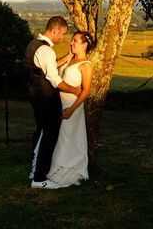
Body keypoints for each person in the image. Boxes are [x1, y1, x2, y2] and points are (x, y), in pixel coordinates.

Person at [26, 16, 81, 189]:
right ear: (55, 30)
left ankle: (34, 171)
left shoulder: (34, 45)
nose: (63, 38)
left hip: (35, 97)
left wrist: (67, 57)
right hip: (46, 99)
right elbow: (55, 80)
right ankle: (39, 178)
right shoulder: (47, 50)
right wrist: (75, 91)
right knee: (48, 137)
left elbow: (47, 68)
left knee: (41, 133)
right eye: (63, 34)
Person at [47, 30, 95, 188]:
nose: (71, 43)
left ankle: (70, 167)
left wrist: (72, 109)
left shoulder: (86, 66)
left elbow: (86, 91)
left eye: (75, 41)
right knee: (61, 137)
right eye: (72, 40)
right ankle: (56, 168)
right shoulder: (71, 59)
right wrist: (68, 57)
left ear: (84, 45)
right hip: (60, 103)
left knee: (67, 138)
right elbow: (53, 66)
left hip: (72, 105)